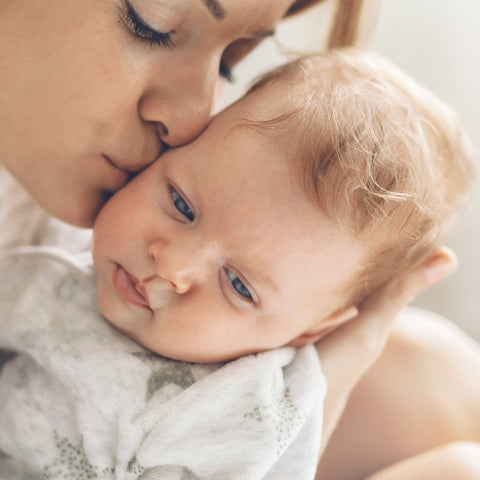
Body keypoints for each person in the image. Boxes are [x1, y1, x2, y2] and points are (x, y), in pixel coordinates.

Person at [1, 48, 479, 478]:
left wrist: (352, 350)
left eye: (238, 285)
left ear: (307, 331)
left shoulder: (243, 407)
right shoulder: (55, 240)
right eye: (181, 204)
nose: (172, 266)